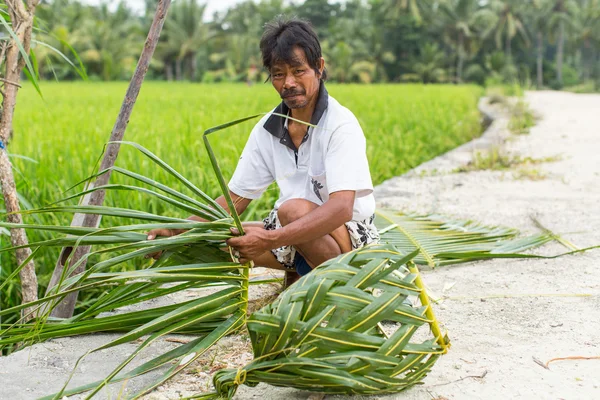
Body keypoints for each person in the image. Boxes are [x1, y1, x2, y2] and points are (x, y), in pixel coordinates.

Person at [148, 17, 379, 284]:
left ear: (319, 67)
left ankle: (341, 280)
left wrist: (269, 239)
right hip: (294, 233)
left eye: (298, 71)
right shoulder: (268, 129)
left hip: (351, 241)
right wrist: (178, 231)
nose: (288, 83)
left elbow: (341, 209)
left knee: (291, 211)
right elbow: (235, 200)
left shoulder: (339, 124)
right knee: (222, 234)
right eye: (279, 74)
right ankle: (302, 269)